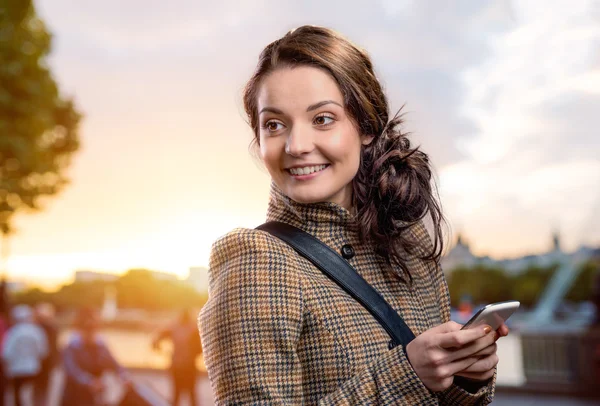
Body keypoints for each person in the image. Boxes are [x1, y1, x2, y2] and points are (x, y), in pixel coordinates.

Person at [199, 25, 510, 405]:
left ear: (365, 126)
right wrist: (408, 376)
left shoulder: (411, 243)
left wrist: (463, 378)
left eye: (322, 119)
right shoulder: (255, 260)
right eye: (275, 125)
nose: (296, 146)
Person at [60, 308, 131, 406]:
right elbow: (72, 371)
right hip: (75, 394)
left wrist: (124, 376)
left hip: (95, 395)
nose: (91, 334)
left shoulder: (101, 346)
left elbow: (114, 363)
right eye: (87, 330)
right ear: (80, 330)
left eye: (93, 330)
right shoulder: (71, 347)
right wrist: (89, 382)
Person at [152, 309, 202, 406]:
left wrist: (159, 348)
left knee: (178, 395)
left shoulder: (174, 327)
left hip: (180, 366)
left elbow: (157, 339)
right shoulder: (194, 328)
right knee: (190, 396)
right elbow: (201, 349)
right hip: (187, 366)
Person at [1, 305, 48, 406]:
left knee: (18, 396)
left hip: (16, 370)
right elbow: (43, 351)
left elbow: (6, 353)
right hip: (33, 368)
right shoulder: (37, 331)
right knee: (30, 394)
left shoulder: (13, 332)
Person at [33, 302, 59, 406]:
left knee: (39, 386)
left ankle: (39, 402)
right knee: (43, 386)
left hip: (41, 361)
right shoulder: (52, 328)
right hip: (46, 361)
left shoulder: (36, 327)